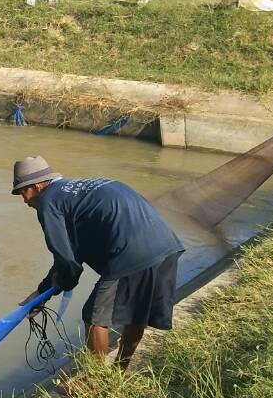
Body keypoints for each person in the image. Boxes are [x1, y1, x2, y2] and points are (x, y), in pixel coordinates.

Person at [11, 155, 184, 371]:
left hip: (131, 253)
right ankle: (120, 371)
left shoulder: (48, 202)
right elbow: (73, 255)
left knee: (94, 315)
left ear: (36, 187)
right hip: (166, 245)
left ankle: (96, 380)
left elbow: (67, 263)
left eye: (22, 192)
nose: (24, 201)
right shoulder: (77, 190)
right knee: (138, 312)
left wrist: (49, 290)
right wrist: (43, 290)